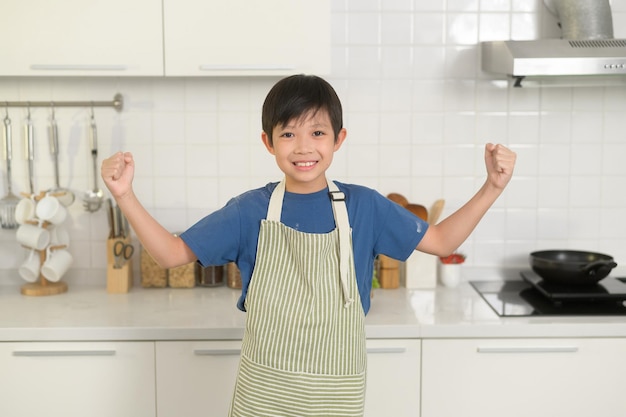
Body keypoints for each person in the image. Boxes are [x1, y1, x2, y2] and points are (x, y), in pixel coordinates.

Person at [101, 74, 516, 417]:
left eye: (317, 132)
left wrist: (492, 187)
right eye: (288, 133)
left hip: (336, 394)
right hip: (265, 394)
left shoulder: (365, 206)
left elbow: (443, 241)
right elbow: (172, 253)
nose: (303, 147)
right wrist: (125, 195)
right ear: (268, 142)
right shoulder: (251, 211)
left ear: (338, 138)